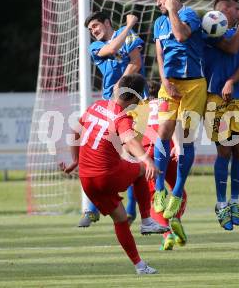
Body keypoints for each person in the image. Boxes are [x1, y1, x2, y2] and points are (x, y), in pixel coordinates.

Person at [59, 74, 168, 275]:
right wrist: (147, 159)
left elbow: (75, 132)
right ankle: (146, 221)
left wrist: (75, 160)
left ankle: (140, 266)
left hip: (87, 179)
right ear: (134, 99)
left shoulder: (96, 106)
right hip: (105, 175)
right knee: (141, 170)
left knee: (120, 218)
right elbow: (129, 140)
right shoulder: (121, 116)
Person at [80, 12, 146, 227]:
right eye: (90, 29)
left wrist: (123, 85)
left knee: (130, 153)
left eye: (96, 26)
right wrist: (129, 25)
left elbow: (136, 61)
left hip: (133, 102)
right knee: (103, 155)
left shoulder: (129, 36)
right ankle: (91, 209)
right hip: (110, 104)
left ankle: (130, 209)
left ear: (107, 23)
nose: (94, 31)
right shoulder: (94, 48)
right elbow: (112, 50)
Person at [152, 0, 206, 219]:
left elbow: (181, 35)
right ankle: (159, 188)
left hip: (193, 84)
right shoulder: (157, 22)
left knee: (185, 139)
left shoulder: (189, 15)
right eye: (156, 0)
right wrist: (164, 80)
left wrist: (172, 9)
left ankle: (177, 191)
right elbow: (160, 53)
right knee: (163, 131)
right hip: (169, 84)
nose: (158, 3)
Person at [203, 0, 239, 230]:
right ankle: (221, 203)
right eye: (237, 9)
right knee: (224, 150)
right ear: (224, 11)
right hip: (215, 97)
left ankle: (234, 201)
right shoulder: (210, 29)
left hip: (238, 97)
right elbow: (232, 47)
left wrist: (232, 81)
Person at [142, 81, 188, 250]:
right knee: (179, 189)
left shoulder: (140, 107)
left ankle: (167, 235)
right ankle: (176, 218)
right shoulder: (167, 102)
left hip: (150, 153)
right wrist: (177, 145)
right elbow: (173, 124)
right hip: (168, 148)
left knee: (155, 197)